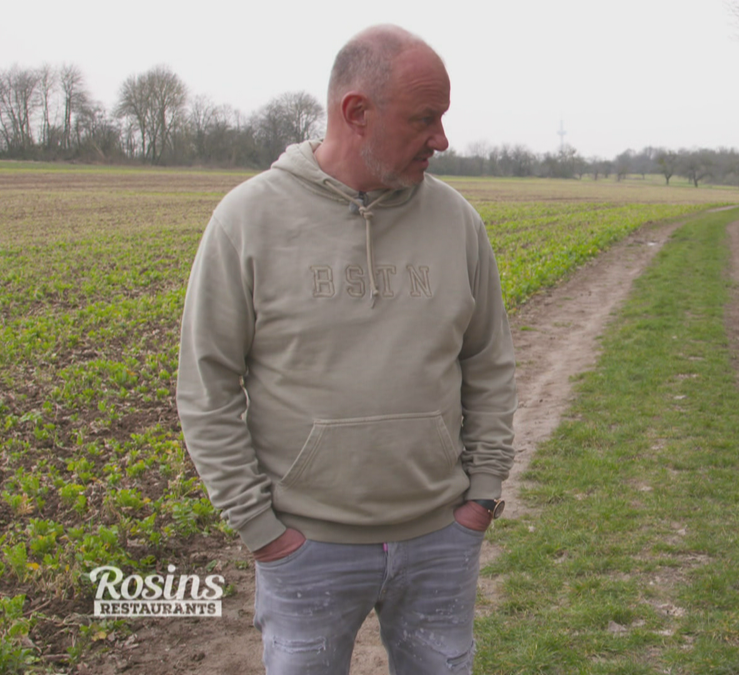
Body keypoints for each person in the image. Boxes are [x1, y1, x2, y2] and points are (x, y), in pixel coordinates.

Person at [176, 24, 516, 675]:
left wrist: (482, 494)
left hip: (440, 538)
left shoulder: (457, 223)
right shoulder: (247, 220)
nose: (442, 139)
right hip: (307, 550)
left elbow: (489, 364)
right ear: (356, 113)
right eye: (425, 119)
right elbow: (207, 387)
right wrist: (262, 531)